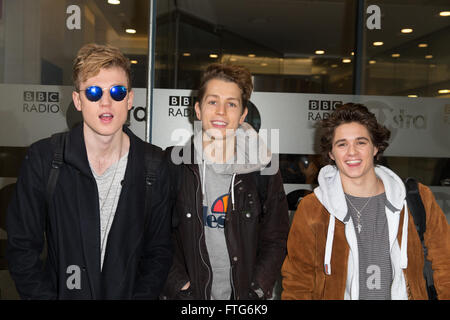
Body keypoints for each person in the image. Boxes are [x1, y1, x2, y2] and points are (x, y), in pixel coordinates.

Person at [6, 43, 172, 299]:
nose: (106, 102)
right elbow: (22, 249)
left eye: (117, 92)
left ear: (129, 99)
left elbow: (158, 254)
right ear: (78, 100)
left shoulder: (154, 164)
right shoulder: (44, 159)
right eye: (93, 92)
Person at [281, 103, 450, 300]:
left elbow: (445, 266)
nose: (352, 152)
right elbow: (298, 282)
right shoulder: (313, 208)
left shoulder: (416, 198)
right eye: (342, 144)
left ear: (376, 148)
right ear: (331, 154)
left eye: (361, 142)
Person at [161, 63, 290, 300]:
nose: (221, 111)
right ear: (198, 110)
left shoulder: (265, 168)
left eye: (231, 104)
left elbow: (276, 238)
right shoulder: (173, 164)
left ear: (242, 115)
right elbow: (156, 235)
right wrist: (180, 286)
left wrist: (256, 290)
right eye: (213, 102)